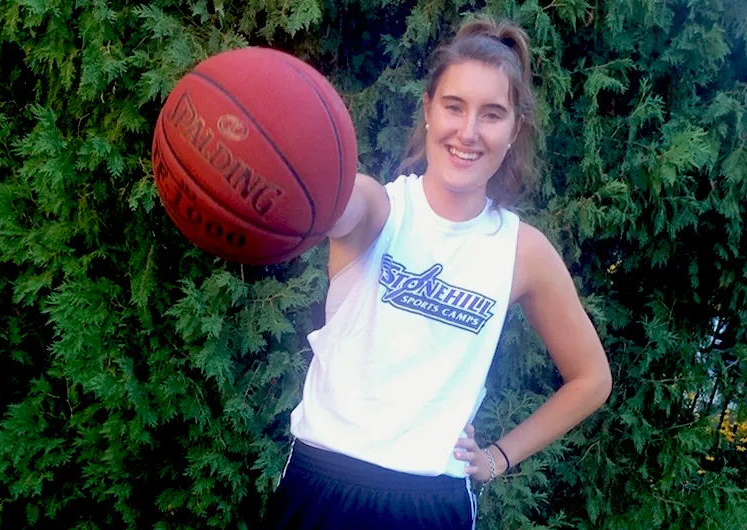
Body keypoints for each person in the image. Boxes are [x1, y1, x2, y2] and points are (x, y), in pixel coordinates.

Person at [260, 15, 612, 530]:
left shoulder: (522, 252)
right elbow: (337, 202)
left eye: (492, 114)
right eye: (454, 106)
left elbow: (592, 379)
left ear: (515, 131)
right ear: (428, 110)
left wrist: (497, 457)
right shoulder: (381, 207)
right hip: (321, 487)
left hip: (430, 505)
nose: (468, 132)